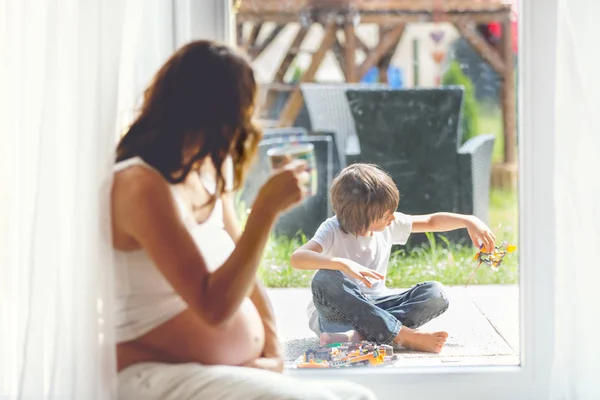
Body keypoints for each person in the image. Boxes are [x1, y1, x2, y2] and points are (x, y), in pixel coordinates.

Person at [111, 40, 376, 400]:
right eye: (242, 110)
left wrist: (272, 352)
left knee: (357, 395)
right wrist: (265, 212)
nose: (245, 125)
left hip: (220, 370)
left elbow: (245, 273)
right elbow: (213, 307)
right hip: (157, 374)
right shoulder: (140, 185)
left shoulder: (207, 173)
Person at [290, 164, 496, 353]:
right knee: (324, 279)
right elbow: (297, 258)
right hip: (336, 315)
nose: (392, 219)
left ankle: (359, 337)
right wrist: (341, 263)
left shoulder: (389, 224)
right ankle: (403, 336)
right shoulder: (332, 229)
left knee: (435, 294)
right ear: (360, 219)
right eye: (385, 217)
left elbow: (432, 221)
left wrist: (469, 221)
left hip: (378, 307)